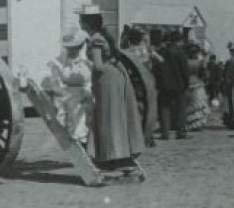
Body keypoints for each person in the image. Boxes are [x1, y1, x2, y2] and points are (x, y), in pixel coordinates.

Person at [86, 34, 146, 171]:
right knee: (119, 116)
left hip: (106, 78)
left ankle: (110, 156)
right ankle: (123, 153)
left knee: (108, 117)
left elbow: (98, 66)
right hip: (118, 74)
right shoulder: (107, 37)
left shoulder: (96, 39)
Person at [45, 32, 94, 145]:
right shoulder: (59, 62)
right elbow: (54, 82)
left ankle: (87, 145)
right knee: (72, 118)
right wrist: (62, 94)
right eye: (69, 48)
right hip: (68, 94)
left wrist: (88, 91)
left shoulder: (86, 62)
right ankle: (77, 144)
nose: (72, 51)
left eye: (75, 48)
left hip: (86, 93)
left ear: (80, 47)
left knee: (86, 118)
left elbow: (91, 79)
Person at [117, 27, 160, 144]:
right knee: (149, 107)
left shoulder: (127, 52)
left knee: (134, 108)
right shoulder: (147, 50)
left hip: (133, 82)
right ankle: (148, 135)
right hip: (147, 80)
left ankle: (135, 135)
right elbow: (161, 60)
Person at [153, 31, 191, 140]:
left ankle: (165, 133)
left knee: (164, 109)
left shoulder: (162, 52)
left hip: (164, 85)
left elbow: (157, 68)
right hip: (179, 85)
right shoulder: (180, 52)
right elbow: (185, 70)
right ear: (180, 40)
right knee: (181, 109)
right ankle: (181, 132)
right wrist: (186, 84)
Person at [183, 43, 210, 131]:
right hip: (198, 84)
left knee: (189, 105)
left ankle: (189, 124)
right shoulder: (200, 63)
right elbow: (205, 74)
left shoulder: (185, 62)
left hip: (187, 84)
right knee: (198, 104)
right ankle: (197, 124)